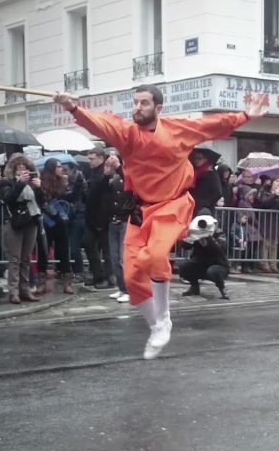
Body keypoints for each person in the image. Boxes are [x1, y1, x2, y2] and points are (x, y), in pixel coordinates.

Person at [54, 85, 266, 359]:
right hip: (140, 210)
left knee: (156, 256)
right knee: (131, 278)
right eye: (135, 102)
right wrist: (74, 108)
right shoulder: (127, 133)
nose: (137, 108)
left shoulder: (178, 129)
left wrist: (246, 115)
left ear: (158, 108)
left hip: (172, 204)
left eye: (144, 103)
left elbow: (211, 124)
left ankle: (164, 318)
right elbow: (101, 124)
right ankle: (156, 325)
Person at [0, 154, 44, 304]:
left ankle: (25, 289)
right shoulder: (6, 182)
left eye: (24, 167)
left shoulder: (32, 183)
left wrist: (39, 188)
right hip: (15, 222)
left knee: (26, 258)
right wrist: (19, 184)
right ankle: (13, 291)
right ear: (12, 169)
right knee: (15, 258)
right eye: (18, 167)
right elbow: (8, 198)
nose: (22, 170)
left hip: (31, 221)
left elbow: (41, 202)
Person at [37, 157, 77, 294]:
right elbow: (42, 201)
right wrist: (53, 213)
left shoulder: (64, 182)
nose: (61, 169)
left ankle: (67, 282)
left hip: (61, 221)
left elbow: (69, 199)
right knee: (43, 252)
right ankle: (41, 283)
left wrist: (73, 185)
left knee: (64, 252)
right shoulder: (42, 182)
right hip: (47, 221)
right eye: (58, 166)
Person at [104, 154, 134, 303]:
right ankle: (122, 288)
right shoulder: (114, 176)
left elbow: (132, 184)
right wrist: (106, 174)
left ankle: (129, 289)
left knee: (124, 258)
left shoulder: (130, 171)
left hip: (125, 219)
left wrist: (118, 167)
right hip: (114, 219)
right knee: (114, 257)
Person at [179, 215, 230, 300]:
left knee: (213, 271)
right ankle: (194, 287)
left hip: (219, 266)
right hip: (201, 265)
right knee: (184, 266)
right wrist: (189, 238)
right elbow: (185, 246)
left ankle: (223, 290)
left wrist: (208, 239)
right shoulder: (196, 232)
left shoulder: (219, 234)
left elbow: (220, 248)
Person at [83, 147, 113, 289]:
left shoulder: (105, 173)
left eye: (92, 158)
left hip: (102, 217)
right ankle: (98, 275)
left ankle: (109, 278)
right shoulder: (93, 172)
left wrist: (102, 219)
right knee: (89, 245)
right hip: (92, 217)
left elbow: (104, 197)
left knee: (107, 250)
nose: (90, 161)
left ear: (101, 158)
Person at [190, 148, 223, 216]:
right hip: (192, 207)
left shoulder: (211, 173)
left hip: (205, 210)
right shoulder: (193, 172)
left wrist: (205, 203)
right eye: (195, 158)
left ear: (206, 159)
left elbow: (217, 192)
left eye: (199, 158)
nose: (196, 160)